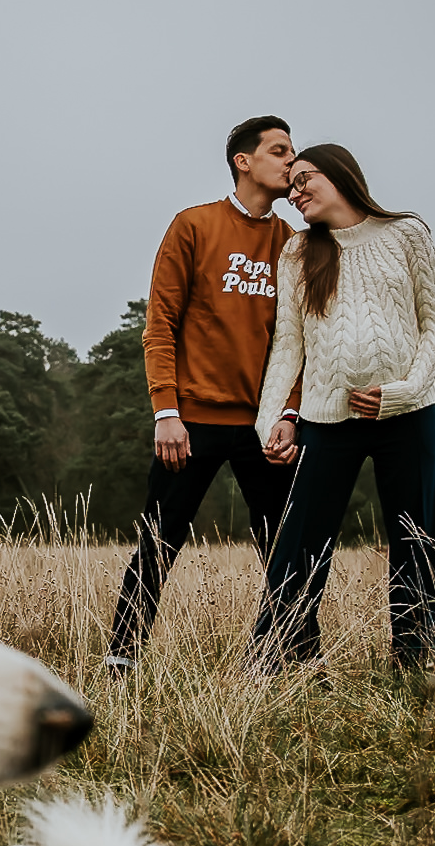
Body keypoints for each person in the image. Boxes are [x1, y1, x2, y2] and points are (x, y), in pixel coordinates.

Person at [105, 116, 308, 672]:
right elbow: (160, 325)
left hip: (263, 428)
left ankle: (301, 661)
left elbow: (299, 343)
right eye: (280, 150)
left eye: (292, 152)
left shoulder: (293, 246)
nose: (291, 161)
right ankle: (123, 656)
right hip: (189, 421)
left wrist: (289, 414)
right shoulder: (192, 226)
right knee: (158, 540)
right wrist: (166, 412)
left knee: (284, 546)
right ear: (244, 161)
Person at [252, 144, 435, 675]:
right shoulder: (297, 253)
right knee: (300, 544)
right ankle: (274, 663)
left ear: (341, 175)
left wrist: (406, 390)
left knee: (415, 539)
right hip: (326, 420)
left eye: (304, 180)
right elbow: (288, 345)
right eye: (289, 186)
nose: (294, 193)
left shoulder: (406, 232)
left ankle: (417, 666)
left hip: (408, 417)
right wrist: (273, 416)